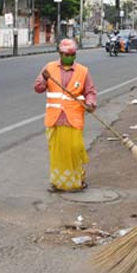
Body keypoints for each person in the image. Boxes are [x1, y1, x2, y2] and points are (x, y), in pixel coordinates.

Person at [34, 39, 97, 192]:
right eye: (66, 54)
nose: (69, 57)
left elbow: (90, 92)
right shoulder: (49, 68)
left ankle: (77, 181)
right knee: (57, 153)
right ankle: (57, 183)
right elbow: (38, 87)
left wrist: (90, 103)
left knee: (75, 150)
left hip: (73, 120)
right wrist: (44, 79)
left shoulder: (83, 71)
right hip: (54, 119)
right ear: (60, 54)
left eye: (72, 54)